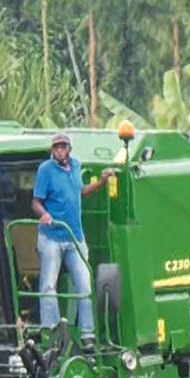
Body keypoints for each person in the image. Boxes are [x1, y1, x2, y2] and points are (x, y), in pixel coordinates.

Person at [31, 133, 114, 345]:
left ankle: (88, 334)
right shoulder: (45, 170)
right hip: (52, 237)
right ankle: (53, 331)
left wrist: (102, 182)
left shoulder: (76, 166)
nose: (60, 150)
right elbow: (36, 202)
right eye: (56, 147)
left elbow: (81, 191)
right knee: (49, 286)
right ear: (52, 150)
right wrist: (44, 214)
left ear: (69, 149)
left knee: (84, 286)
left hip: (75, 237)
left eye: (63, 147)